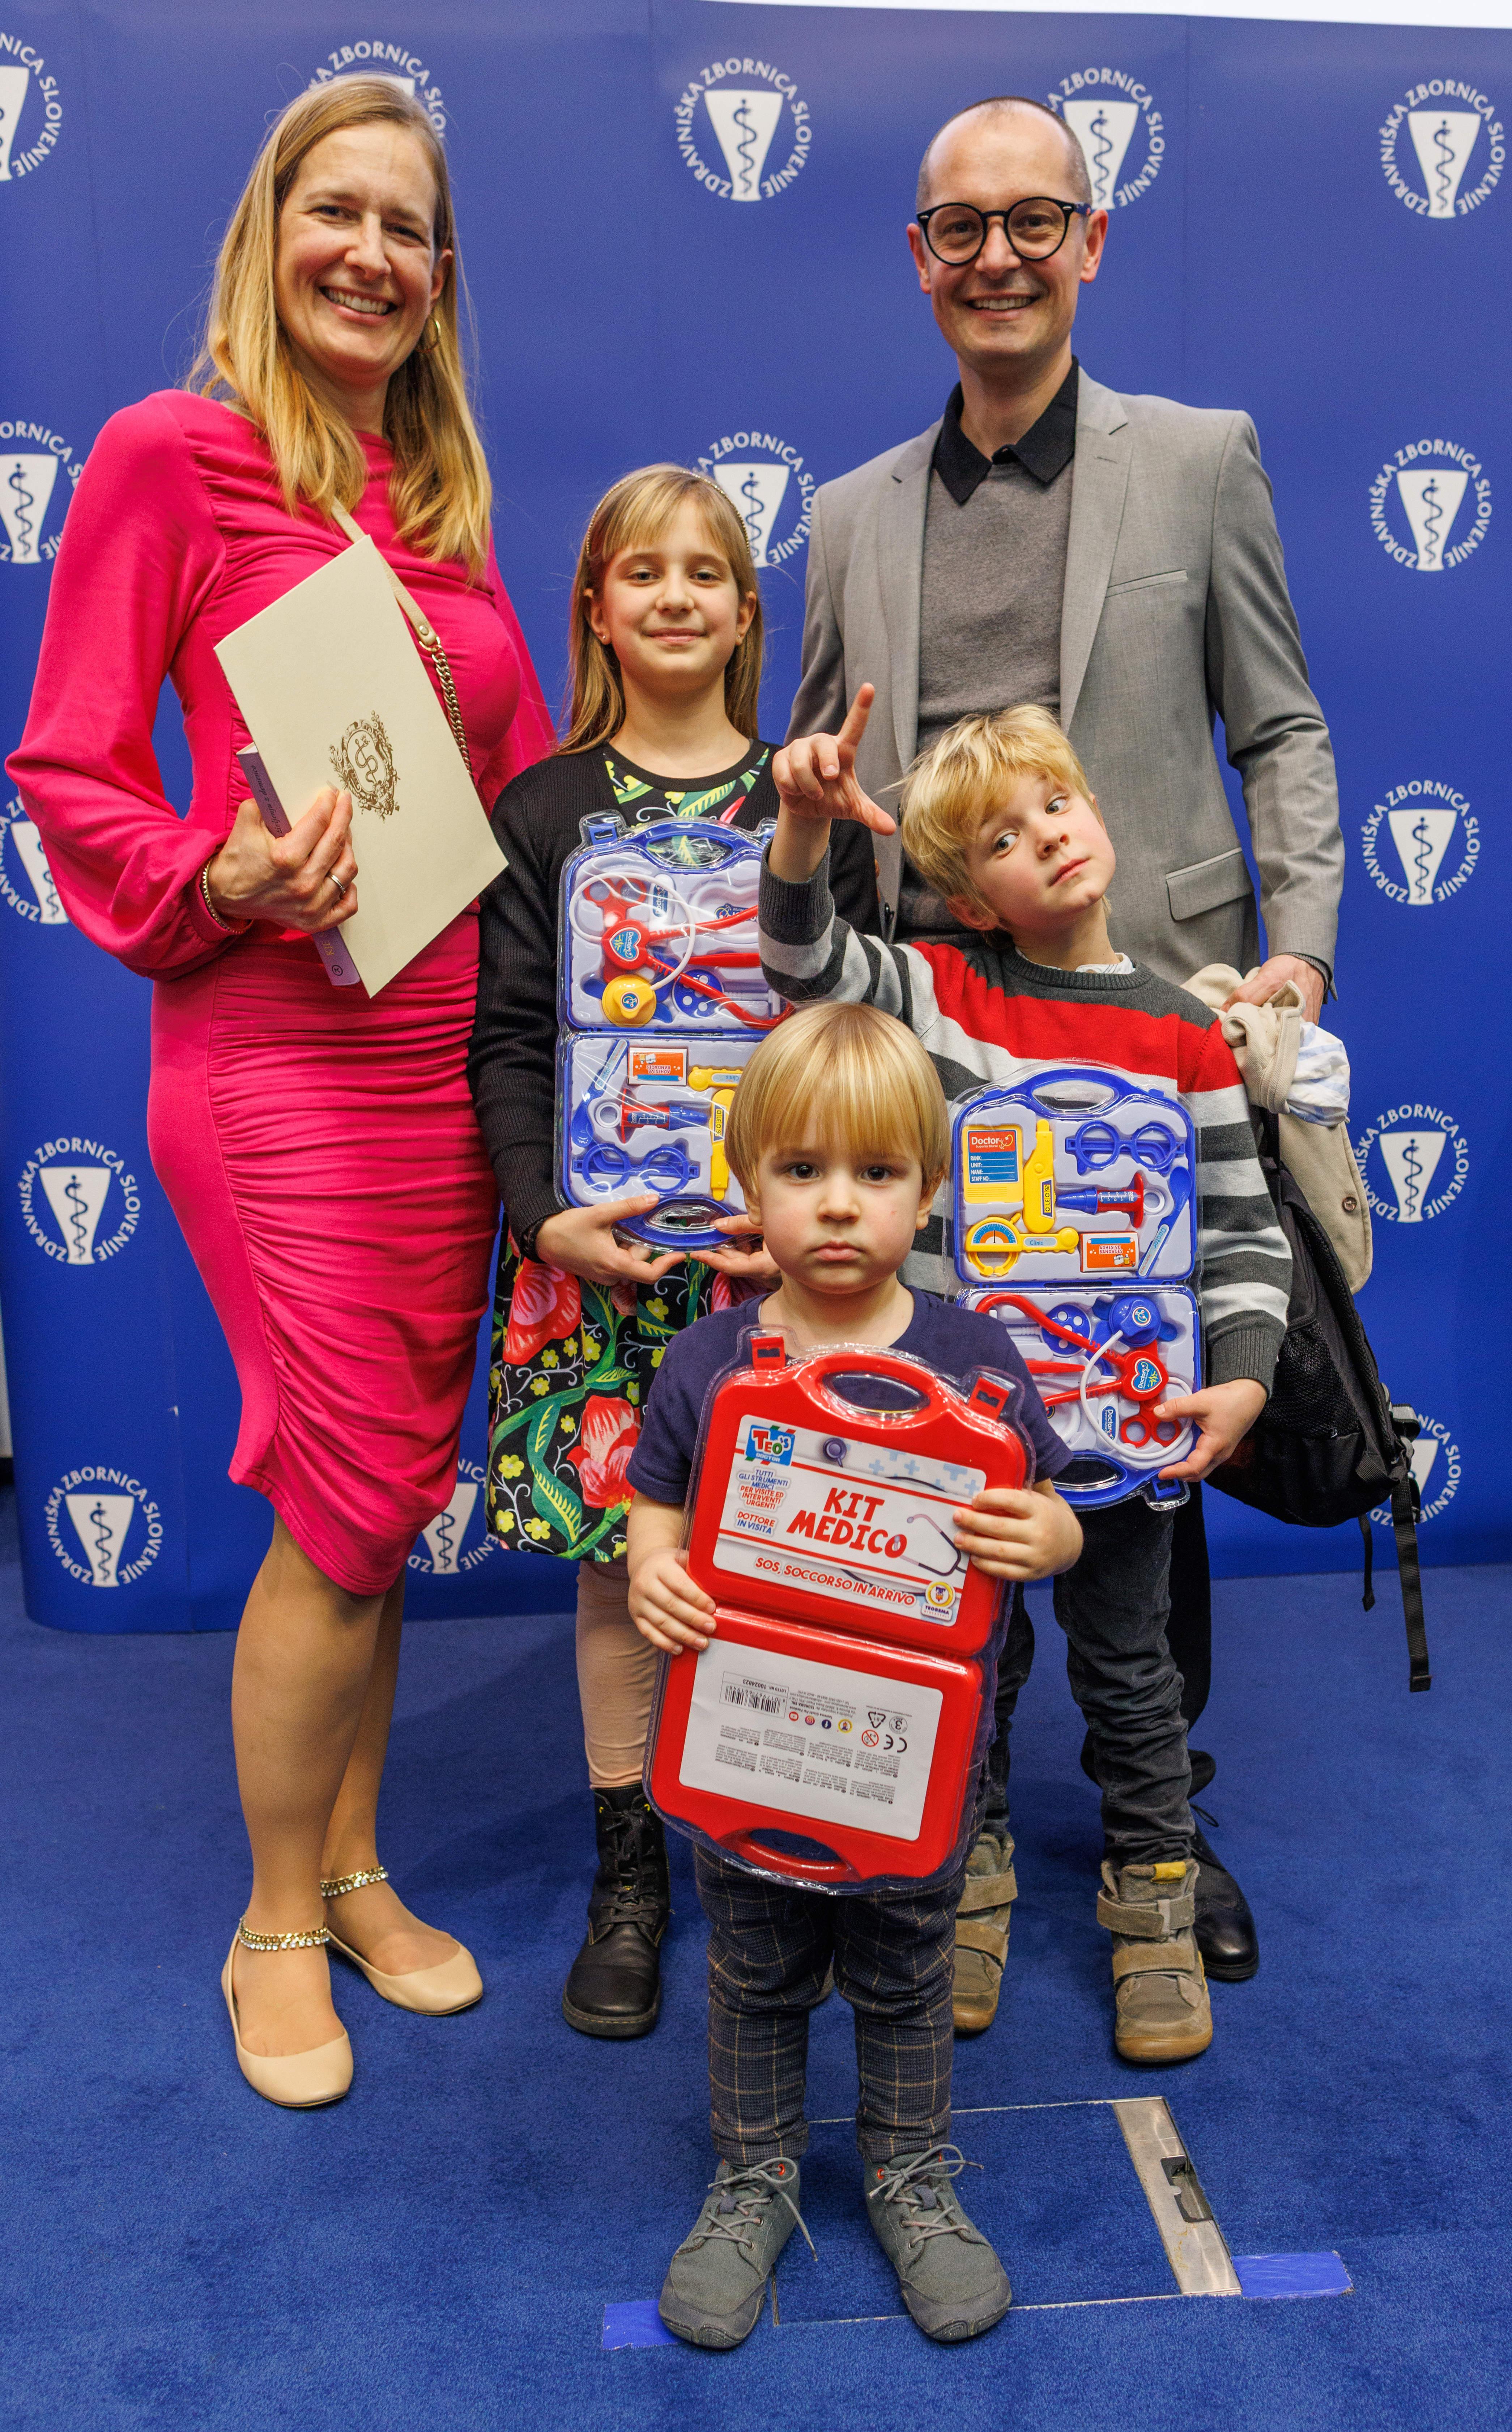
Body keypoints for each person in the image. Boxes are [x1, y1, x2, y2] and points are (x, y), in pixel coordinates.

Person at [8, 80, 552, 2107]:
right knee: (337, 1493)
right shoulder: (173, 454)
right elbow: (68, 768)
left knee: (387, 1491)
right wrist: (216, 871)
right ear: (270, 231)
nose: (371, 256)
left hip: (441, 1060)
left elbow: (503, 794)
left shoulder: (438, 504)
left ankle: (354, 1867)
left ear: (441, 275)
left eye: (409, 228)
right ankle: (268, 1922)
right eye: (339, 212)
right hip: (275, 1062)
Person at [780, 92, 1345, 2016]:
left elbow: (1282, 727)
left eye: (1036, 220)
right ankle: (951, 1826)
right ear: (918, 260)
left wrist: (1296, 956)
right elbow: (818, 786)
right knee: (942, 1440)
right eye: (961, 227)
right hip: (926, 1057)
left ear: (1090, 242)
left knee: (1137, 1437)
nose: (999, 256)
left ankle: (1152, 1827)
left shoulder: (1197, 459)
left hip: (1145, 1017)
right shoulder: (847, 514)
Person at [758, 698, 1294, 2070]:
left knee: (1132, 1671)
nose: (1045, 837)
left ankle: (1154, 1900)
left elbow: (1242, 1233)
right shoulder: (945, 992)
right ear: (965, 896)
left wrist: (1239, 1380)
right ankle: (969, 1872)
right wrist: (805, 827)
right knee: (970, 1665)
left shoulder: (1184, 1031)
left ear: (1096, 810)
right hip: (966, 1439)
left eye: (1054, 805)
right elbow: (802, 960)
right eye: (1001, 838)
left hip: (1127, 1428)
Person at [467, 467, 869, 2040]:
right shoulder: (542, 809)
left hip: (786, 1266)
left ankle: (788, 1857)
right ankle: (629, 1870)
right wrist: (540, 1217)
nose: (677, 596)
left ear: (749, 611)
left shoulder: (803, 796)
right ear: (595, 609)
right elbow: (509, 1039)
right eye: (643, 573)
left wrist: (815, 1219)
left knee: (796, 1552)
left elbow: (852, 1033)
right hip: (603, 1263)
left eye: (707, 572)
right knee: (620, 1570)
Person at [625, 999, 1081, 2349]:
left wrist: (1052, 1537)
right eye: (801, 1170)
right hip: (750, 1745)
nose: (837, 1205)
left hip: (912, 1769)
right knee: (754, 1972)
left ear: (928, 1191)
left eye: (876, 1173)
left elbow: (1053, 1505)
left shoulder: (974, 1358)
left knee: (903, 1972)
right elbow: (656, 1497)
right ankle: (754, 2177)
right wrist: (654, 1569)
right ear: (746, 1182)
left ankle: (910, 2176)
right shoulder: (708, 1358)